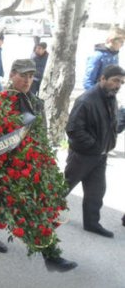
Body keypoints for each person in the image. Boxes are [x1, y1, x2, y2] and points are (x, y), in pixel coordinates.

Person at [0, 59, 77, 272]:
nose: (27, 80)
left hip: (27, 165)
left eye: (31, 76)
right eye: (23, 75)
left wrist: (44, 162)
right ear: (12, 74)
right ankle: (50, 255)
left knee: (32, 206)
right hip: (3, 166)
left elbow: (40, 134)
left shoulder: (36, 103)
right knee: (18, 206)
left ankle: (49, 254)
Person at [65, 65, 125, 238]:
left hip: (100, 155)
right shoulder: (86, 100)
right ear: (103, 79)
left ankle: (91, 223)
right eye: (115, 80)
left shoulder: (111, 98)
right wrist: (94, 146)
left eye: (121, 82)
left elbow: (111, 125)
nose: (118, 85)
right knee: (64, 187)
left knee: (97, 191)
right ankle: (42, 214)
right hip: (82, 155)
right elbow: (74, 129)